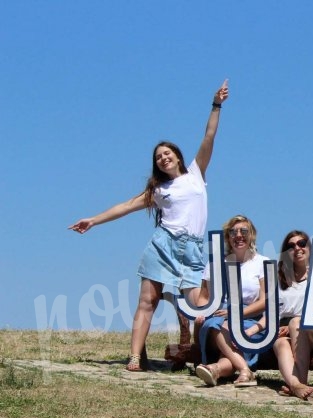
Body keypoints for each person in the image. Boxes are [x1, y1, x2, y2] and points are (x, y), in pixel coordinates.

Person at [69, 80, 229, 371]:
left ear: (178, 156)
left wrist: (216, 105)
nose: (163, 157)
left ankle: (203, 355)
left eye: (167, 153)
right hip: (164, 244)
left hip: (192, 248)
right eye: (158, 157)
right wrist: (93, 220)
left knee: (199, 305)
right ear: (157, 165)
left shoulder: (196, 173)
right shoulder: (158, 191)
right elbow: (126, 206)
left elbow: (209, 136)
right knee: (148, 300)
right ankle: (134, 356)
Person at [193, 215, 270, 388]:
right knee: (218, 326)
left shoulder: (262, 263)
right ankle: (245, 369)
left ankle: (216, 369)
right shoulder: (216, 264)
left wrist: (237, 313)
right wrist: (201, 312)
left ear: (251, 235)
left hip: (249, 317)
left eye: (243, 231)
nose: (238, 235)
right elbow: (204, 296)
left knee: (227, 332)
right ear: (228, 237)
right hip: (219, 314)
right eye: (233, 232)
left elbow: (266, 300)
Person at [273, 230, 313, 399]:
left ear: (309, 248)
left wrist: (296, 321)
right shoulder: (279, 279)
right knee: (282, 344)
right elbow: (272, 309)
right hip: (282, 327)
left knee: (296, 323)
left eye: (302, 243)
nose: (297, 248)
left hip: (311, 327)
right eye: (291, 246)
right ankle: (296, 384)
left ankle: (300, 381)